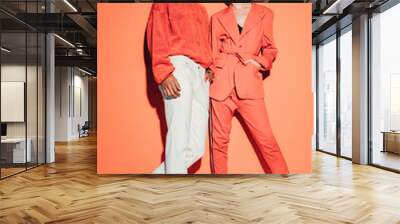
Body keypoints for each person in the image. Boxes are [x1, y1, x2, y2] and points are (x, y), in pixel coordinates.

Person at [209, 3, 289, 174]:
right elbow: (213, 52)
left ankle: (285, 184)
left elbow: (270, 48)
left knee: (267, 140)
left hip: (249, 82)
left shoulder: (265, 13)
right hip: (221, 84)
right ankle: (220, 190)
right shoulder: (217, 17)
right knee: (219, 143)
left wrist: (259, 62)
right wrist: (212, 74)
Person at [146, 3, 214, 174]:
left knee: (196, 148)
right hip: (179, 67)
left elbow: (204, 42)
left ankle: (151, 182)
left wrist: (209, 66)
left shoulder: (201, 9)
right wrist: (163, 73)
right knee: (179, 140)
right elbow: (156, 35)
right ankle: (177, 194)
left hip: (201, 73)